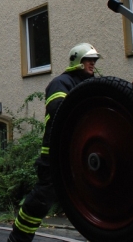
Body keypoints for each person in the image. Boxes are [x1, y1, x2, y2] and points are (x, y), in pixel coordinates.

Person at [8, 43, 101, 242]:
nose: (92, 63)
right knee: (41, 199)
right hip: (55, 155)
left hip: (80, 153)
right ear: (77, 60)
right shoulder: (61, 82)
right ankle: (18, 238)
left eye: (94, 60)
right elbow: (59, 108)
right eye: (88, 59)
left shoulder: (91, 84)